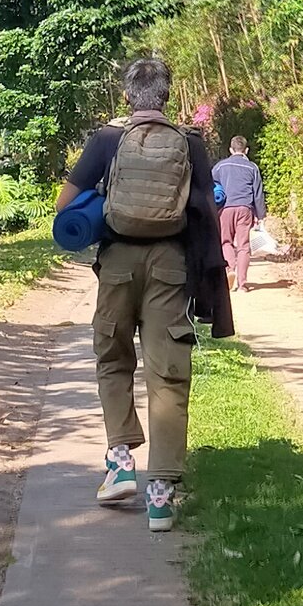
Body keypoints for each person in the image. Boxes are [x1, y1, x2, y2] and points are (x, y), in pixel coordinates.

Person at [57, 53, 233, 532]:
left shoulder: (107, 139)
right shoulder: (191, 143)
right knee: (168, 371)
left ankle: (119, 463)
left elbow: (64, 204)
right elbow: (203, 212)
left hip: (117, 263)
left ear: (127, 95)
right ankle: (161, 494)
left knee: (113, 358)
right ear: (168, 96)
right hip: (170, 266)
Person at [212, 135, 267, 292]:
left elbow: (210, 187)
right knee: (243, 246)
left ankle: (230, 270)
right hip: (245, 208)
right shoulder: (252, 167)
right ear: (246, 150)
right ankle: (242, 284)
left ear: (230, 150)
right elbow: (258, 193)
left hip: (225, 208)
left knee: (225, 242)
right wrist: (260, 215)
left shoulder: (219, 167)